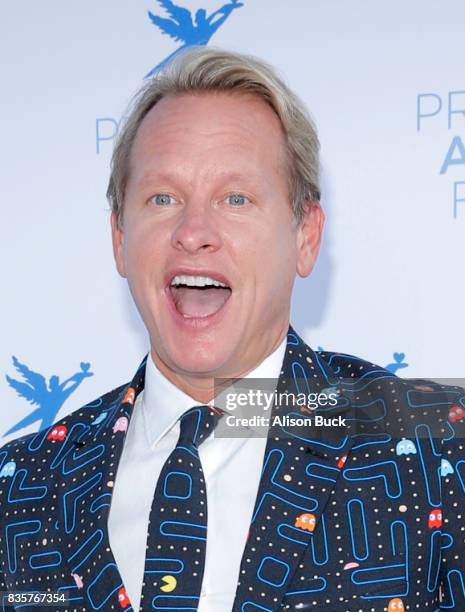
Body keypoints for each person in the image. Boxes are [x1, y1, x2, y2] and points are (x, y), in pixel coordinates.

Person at [0, 46, 464, 612]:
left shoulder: (438, 452)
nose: (193, 232)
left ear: (305, 236)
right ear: (120, 237)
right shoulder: (18, 485)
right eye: (162, 197)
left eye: (236, 198)